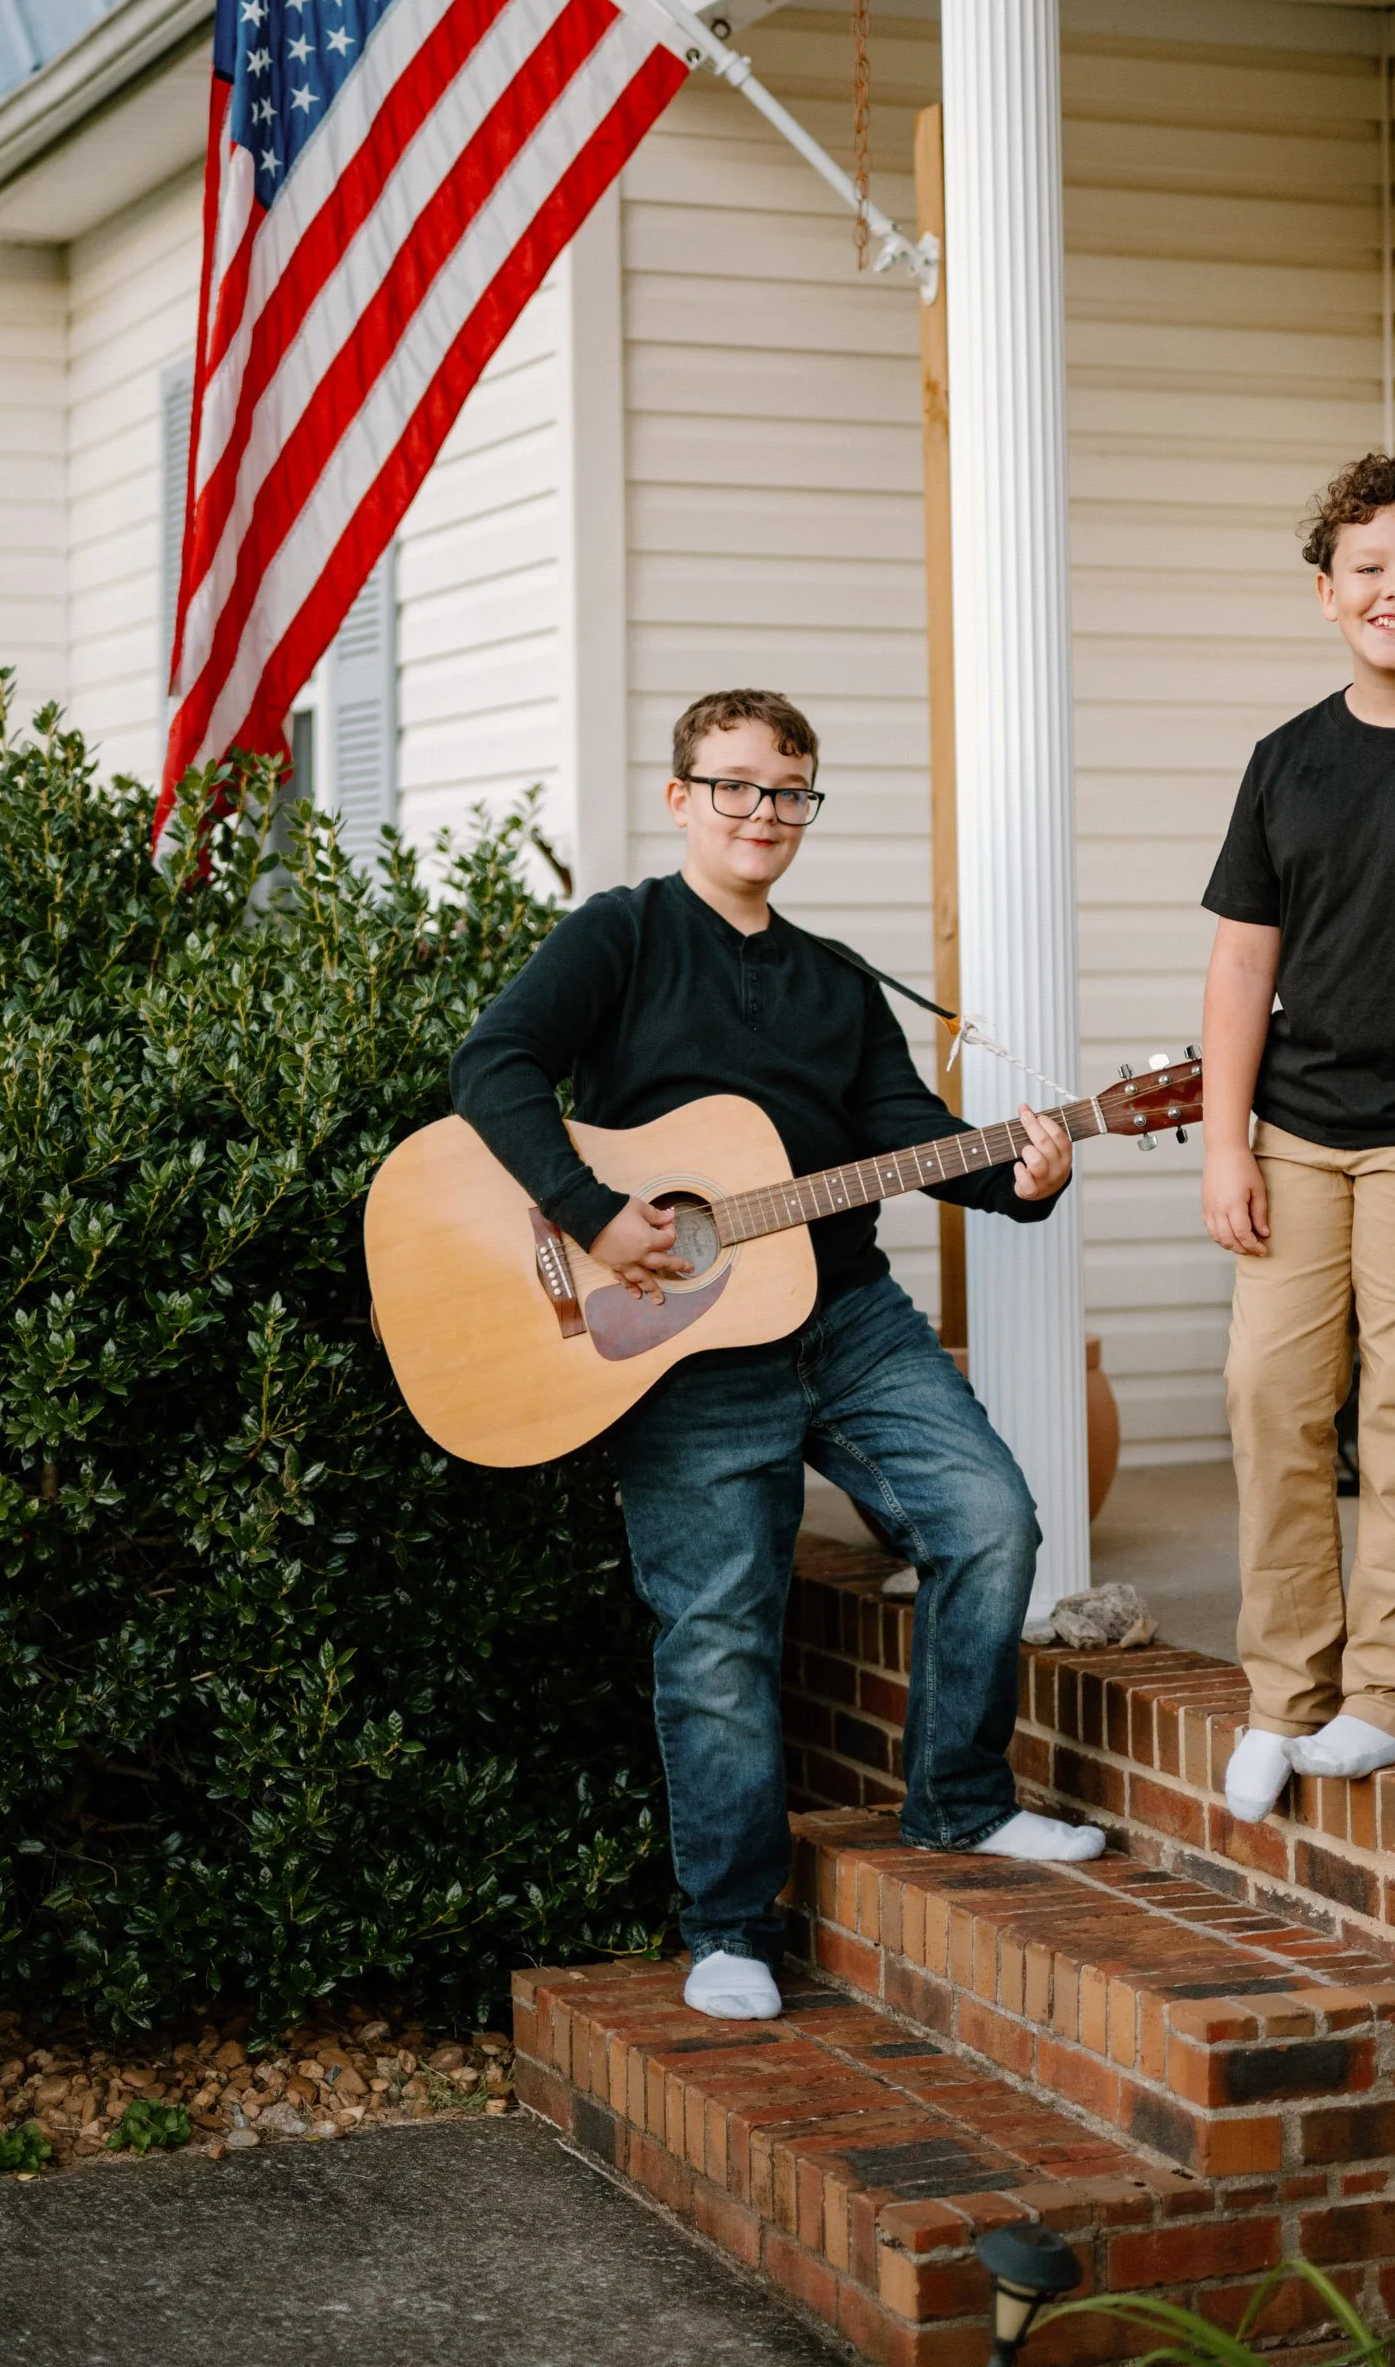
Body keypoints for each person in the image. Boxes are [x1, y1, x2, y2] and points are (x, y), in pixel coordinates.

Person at [448, 688, 1103, 2024]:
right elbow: (494, 1066)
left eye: (788, 792)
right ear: (682, 796)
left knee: (988, 1521)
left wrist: (1025, 1175)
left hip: (847, 1314)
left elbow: (905, 1129)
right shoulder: (621, 938)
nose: (763, 814)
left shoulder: (836, 979)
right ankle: (730, 1928)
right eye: (735, 786)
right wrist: (592, 1215)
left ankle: (963, 1807)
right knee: (718, 1631)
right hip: (681, 1342)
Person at [1198, 453, 1395, 1825]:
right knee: (1270, 1399)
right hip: (1297, 1136)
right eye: (1371, 569)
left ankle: (1389, 1698)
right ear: (1327, 592)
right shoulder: (1286, 762)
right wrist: (1225, 1141)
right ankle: (1286, 1695)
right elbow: (1238, 968)